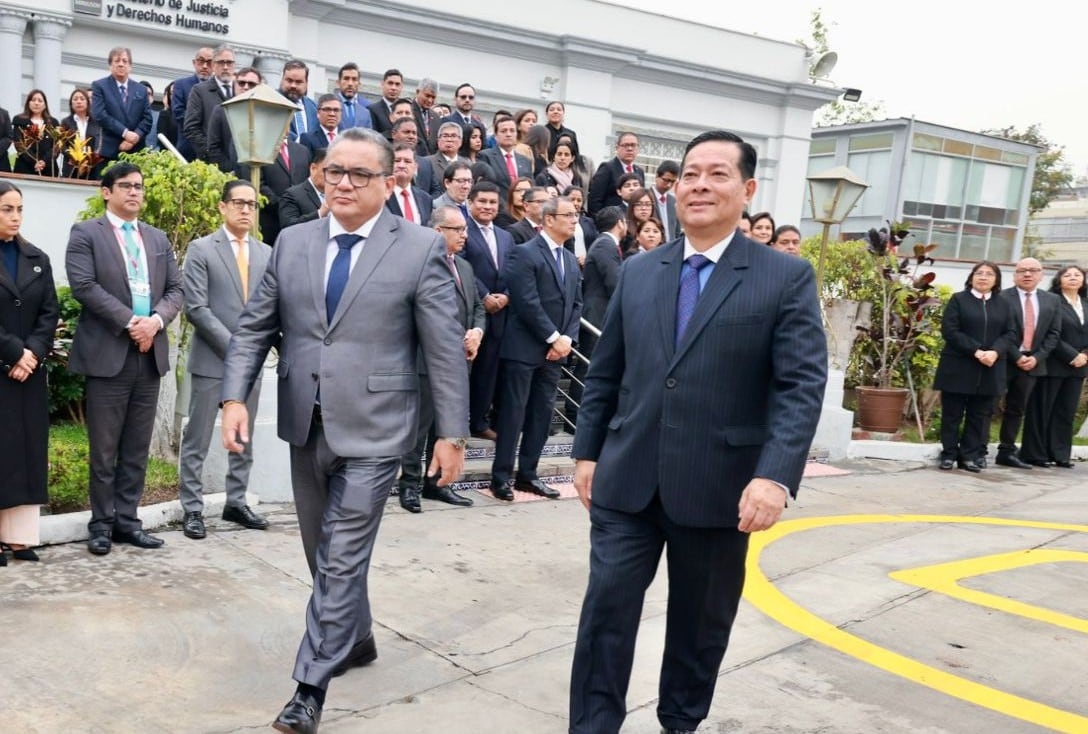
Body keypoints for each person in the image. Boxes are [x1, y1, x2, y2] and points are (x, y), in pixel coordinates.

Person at [568, 130, 827, 734]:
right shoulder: (640, 271)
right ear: (675, 187)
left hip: (720, 490)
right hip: (627, 482)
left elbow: (799, 386)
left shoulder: (783, 277)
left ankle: (679, 723)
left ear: (747, 189)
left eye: (717, 174)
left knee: (699, 626)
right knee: (604, 615)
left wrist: (774, 476)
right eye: (690, 174)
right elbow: (607, 372)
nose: (700, 185)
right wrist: (586, 452)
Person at [219, 127, 469, 732]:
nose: (346, 184)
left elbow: (442, 348)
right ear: (322, 176)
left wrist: (452, 434)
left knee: (340, 555)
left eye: (361, 174)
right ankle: (354, 638)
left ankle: (309, 688)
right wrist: (234, 397)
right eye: (336, 172)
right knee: (320, 554)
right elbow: (255, 328)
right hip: (308, 422)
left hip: (379, 428)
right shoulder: (293, 242)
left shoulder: (418, 247)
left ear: (388, 182)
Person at [65, 162, 185, 556]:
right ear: (106, 192)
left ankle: (127, 522)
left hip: (148, 355)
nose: (134, 192)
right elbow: (84, 286)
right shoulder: (86, 234)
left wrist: (154, 322)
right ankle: (100, 524)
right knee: (104, 448)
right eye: (126, 186)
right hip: (109, 353)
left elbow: (176, 289)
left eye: (139, 186)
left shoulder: (156, 237)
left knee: (136, 446)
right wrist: (131, 322)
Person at [177, 180, 271, 540]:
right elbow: (197, 308)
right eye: (238, 203)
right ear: (222, 207)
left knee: (242, 437)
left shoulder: (265, 252)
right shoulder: (201, 249)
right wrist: (237, 350)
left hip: (251, 365)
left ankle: (236, 501)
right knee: (197, 439)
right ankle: (193, 509)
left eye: (251, 204)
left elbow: (269, 307)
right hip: (213, 361)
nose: (246, 209)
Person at [489, 196, 582, 501]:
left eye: (576, 214)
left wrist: (566, 339)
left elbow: (576, 303)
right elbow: (527, 302)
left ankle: (528, 475)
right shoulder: (524, 253)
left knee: (542, 415)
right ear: (549, 219)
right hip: (524, 348)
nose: (574, 220)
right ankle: (500, 477)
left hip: (555, 353)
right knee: (513, 415)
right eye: (568, 214)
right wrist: (552, 336)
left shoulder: (569, 259)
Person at [397, 205, 484, 512]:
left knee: (446, 426)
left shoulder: (465, 267)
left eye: (464, 230)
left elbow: (478, 306)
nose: (465, 235)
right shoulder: (415, 266)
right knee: (417, 429)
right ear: (437, 232)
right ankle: (409, 486)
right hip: (423, 361)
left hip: (459, 360)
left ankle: (437, 485)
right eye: (457, 230)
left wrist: (476, 331)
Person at [0, 181, 59, 564]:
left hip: (28, 374)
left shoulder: (37, 257)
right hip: (3, 368)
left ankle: (20, 537)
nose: (15, 216)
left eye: (19, 209)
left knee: (26, 450)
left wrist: (32, 354)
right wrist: (13, 353)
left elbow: (49, 312)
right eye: (7, 209)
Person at [933, 261, 1016, 472]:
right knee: (952, 414)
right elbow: (950, 331)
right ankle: (949, 454)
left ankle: (968, 456)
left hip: (990, 367)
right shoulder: (959, 300)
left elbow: (1011, 333)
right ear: (971, 277)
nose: (984, 277)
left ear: (996, 280)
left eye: (989, 274)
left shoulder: (1004, 304)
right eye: (979, 273)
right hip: (959, 366)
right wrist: (977, 351)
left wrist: (995, 352)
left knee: (978, 415)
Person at [996, 257, 1062, 469]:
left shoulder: (1052, 300)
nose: (1027, 274)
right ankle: (976, 449)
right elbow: (999, 331)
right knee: (987, 407)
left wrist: (1037, 357)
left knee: (1017, 408)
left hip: (1033, 364)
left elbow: (1054, 333)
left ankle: (1006, 452)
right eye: (1022, 270)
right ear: (1015, 274)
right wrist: (1017, 355)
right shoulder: (1002, 297)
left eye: (1033, 270)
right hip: (1005, 359)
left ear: (1041, 275)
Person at [1020, 266, 1088, 468]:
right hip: (1053, 363)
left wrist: (1084, 355)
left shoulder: (1085, 303)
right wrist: (1071, 355)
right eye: (1067, 275)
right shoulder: (1051, 301)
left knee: (1066, 411)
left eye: (1078, 275)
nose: (1073, 278)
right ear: (1059, 280)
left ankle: (1059, 454)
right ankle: (1035, 454)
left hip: (1079, 366)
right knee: (1043, 409)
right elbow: (1049, 333)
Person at [462, 181, 514, 442]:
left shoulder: (506, 235)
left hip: (500, 313)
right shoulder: (463, 230)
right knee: (467, 369)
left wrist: (505, 295)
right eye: (482, 201)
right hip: (471, 312)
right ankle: (459, 421)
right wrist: (484, 296)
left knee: (489, 371)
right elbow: (461, 266)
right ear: (470, 202)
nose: (487, 206)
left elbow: (514, 268)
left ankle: (479, 421)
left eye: (492, 202)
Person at [91, 47, 153, 163]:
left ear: (130, 66)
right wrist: (125, 133)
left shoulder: (141, 89)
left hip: (136, 151)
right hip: (110, 151)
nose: (121, 64)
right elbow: (100, 115)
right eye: (117, 61)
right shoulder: (100, 86)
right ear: (110, 65)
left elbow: (147, 119)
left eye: (124, 61)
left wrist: (134, 137)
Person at [182, 44, 236, 162]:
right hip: (213, 163)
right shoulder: (200, 90)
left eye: (229, 63)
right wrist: (211, 154)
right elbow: (191, 128)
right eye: (221, 62)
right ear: (214, 65)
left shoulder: (241, 90)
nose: (226, 67)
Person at [170, 46, 215, 160]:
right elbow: (178, 113)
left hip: (213, 148)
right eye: (201, 61)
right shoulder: (181, 84)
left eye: (209, 62)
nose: (205, 66)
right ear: (194, 63)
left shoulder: (218, 88)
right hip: (187, 146)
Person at [478, 117, 533, 208]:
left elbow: (531, 187)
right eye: (503, 131)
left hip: (522, 210)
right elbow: (486, 186)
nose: (508, 134)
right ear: (495, 135)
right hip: (498, 210)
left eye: (512, 131)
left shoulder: (525, 160)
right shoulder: (485, 156)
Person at [587, 132, 645, 215]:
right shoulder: (607, 168)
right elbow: (594, 200)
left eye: (633, 145)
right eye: (625, 145)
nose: (629, 149)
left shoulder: (639, 171)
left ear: (638, 148)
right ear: (617, 148)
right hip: (611, 221)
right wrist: (600, 223)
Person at [12, 89, 60, 177]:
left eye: (40, 101)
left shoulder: (53, 123)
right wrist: (35, 162)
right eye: (33, 100)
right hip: (24, 167)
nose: (36, 103)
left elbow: (56, 146)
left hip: (48, 168)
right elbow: (19, 145)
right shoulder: (19, 120)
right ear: (28, 103)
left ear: (45, 105)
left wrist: (44, 162)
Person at [280, 148, 329, 229]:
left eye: (336, 172)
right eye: (327, 171)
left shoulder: (338, 194)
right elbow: (288, 227)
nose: (331, 176)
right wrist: (320, 213)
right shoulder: (292, 195)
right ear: (313, 168)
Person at [385, 143, 433, 225]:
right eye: (397, 161)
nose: (401, 165)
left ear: (415, 167)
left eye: (407, 161)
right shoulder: (380, 195)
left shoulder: (426, 199)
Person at [60, 88, 103, 178]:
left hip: (91, 167)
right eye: (75, 99)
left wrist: (90, 159)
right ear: (71, 104)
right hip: (71, 166)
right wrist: (75, 157)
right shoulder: (66, 122)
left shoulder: (96, 122)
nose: (79, 102)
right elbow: (62, 145)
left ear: (87, 102)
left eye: (82, 99)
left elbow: (99, 142)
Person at [281, 59, 319, 143]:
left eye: (298, 82)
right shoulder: (272, 102)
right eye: (289, 80)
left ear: (306, 83)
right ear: (282, 80)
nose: (293, 85)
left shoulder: (313, 107)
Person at [334, 62, 373, 132]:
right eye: (346, 78)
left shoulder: (365, 113)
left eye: (354, 79)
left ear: (359, 84)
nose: (350, 83)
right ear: (338, 82)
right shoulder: (327, 107)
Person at [367, 68, 404, 137]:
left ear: (402, 87)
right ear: (382, 84)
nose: (393, 88)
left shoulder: (407, 111)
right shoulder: (372, 110)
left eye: (397, 84)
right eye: (390, 83)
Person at [620, 187, 655, 256]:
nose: (644, 208)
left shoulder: (656, 228)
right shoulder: (625, 231)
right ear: (632, 207)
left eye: (648, 204)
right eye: (639, 204)